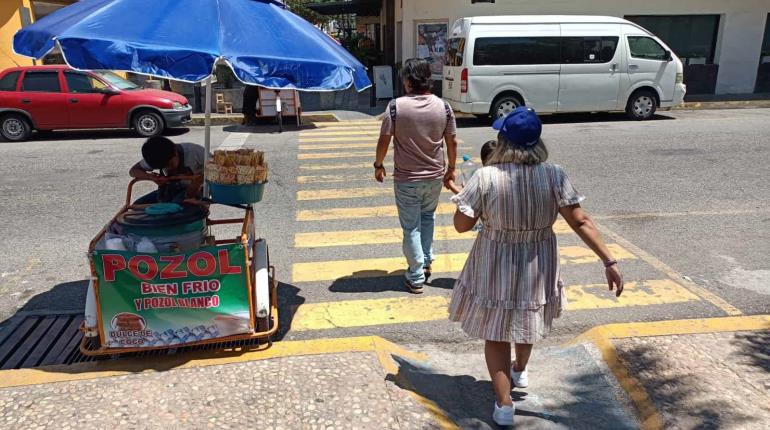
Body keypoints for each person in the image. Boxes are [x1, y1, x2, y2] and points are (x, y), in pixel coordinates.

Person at [447, 107, 624, 426]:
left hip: (495, 258)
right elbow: (580, 220)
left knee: (496, 332)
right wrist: (608, 260)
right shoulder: (554, 174)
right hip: (538, 259)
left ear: (503, 141)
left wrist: (469, 202)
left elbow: (461, 225)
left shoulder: (485, 176)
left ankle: (503, 405)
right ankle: (519, 371)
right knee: (526, 316)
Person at [374, 58, 458, 294]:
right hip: (434, 176)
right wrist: (451, 168)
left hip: (407, 179)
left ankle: (416, 275)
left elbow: (384, 140)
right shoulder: (444, 107)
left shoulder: (395, 107)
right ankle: (427, 261)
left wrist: (378, 165)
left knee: (411, 226)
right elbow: (451, 140)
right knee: (427, 218)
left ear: (408, 81)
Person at [129, 137, 207, 204]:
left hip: (197, 191)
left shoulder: (195, 152)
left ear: (175, 152)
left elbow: (217, 168)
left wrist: (199, 181)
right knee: (137, 205)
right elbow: (133, 171)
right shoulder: (155, 156)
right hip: (170, 190)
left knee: (173, 207)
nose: (169, 168)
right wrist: (150, 177)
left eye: (170, 164)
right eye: (163, 167)